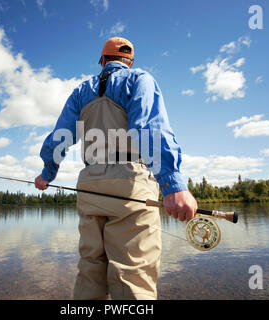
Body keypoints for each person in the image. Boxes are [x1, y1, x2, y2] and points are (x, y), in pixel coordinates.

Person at [34, 37, 197, 300]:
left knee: (90, 269)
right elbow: (147, 129)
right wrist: (172, 184)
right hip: (130, 183)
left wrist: (47, 174)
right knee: (132, 274)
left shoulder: (80, 91)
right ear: (129, 62)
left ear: (102, 61)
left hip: (89, 185)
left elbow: (61, 137)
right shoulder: (139, 79)